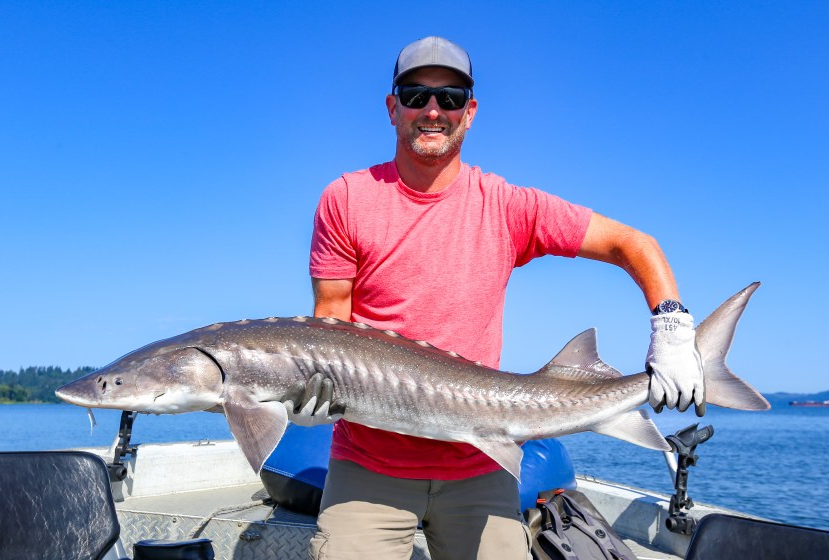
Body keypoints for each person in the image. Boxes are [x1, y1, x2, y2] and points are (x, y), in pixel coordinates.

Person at [290, 36, 704, 560]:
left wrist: (672, 329)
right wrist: (307, 401)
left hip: (481, 460)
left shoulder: (507, 206)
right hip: (369, 468)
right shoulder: (346, 199)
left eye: (452, 97)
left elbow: (632, 244)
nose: (433, 110)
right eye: (416, 96)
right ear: (392, 108)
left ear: (471, 111)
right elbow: (330, 325)